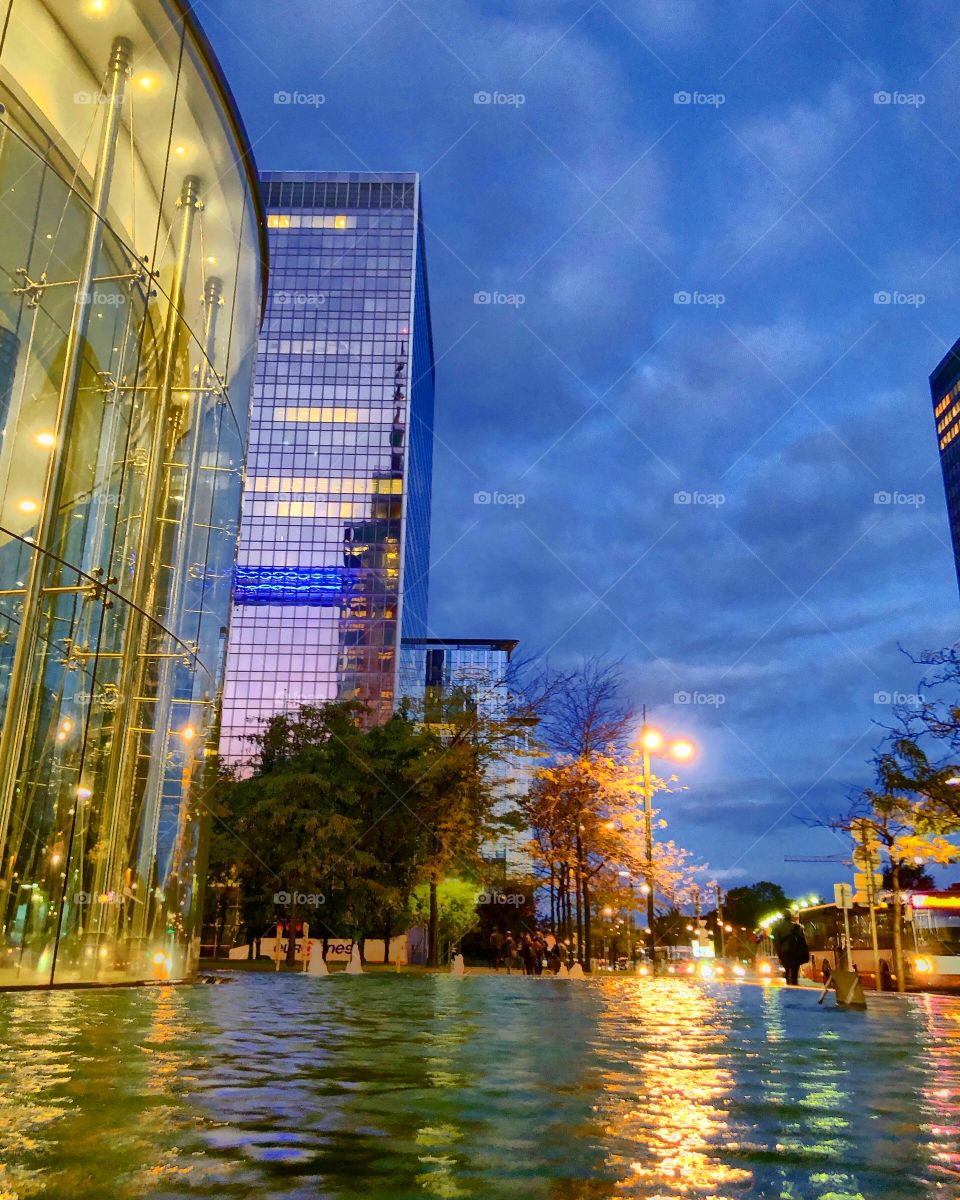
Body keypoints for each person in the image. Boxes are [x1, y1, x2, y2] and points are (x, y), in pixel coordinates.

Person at [775, 912, 810, 986]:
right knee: (795, 969)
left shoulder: (778, 928)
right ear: (790, 917)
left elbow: (776, 942)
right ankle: (794, 983)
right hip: (795, 951)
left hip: (784, 952)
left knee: (787, 968)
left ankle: (788, 981)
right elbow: (803, 939)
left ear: (783, 917)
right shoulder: (797, 927)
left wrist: (779, 954)